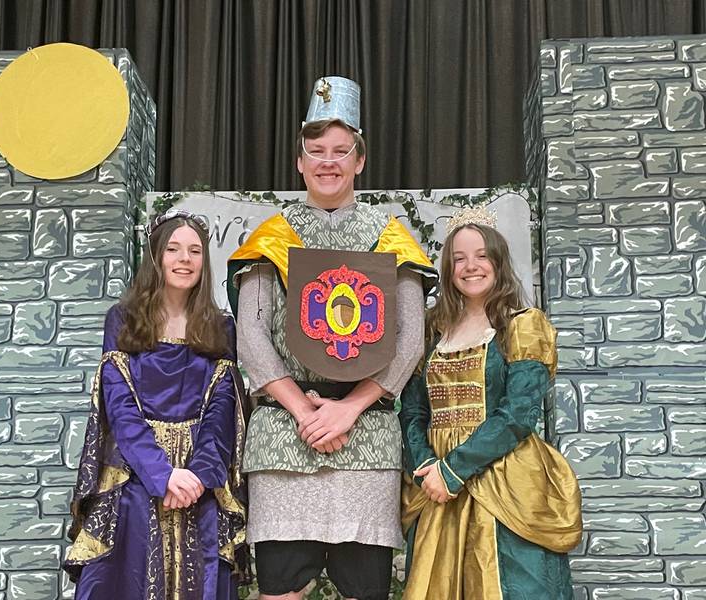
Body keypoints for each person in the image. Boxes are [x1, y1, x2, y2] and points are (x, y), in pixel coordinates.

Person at [227, 76, 437, 600]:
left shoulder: (390, 236)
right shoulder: (271, 236)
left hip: (367, 434)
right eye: (316, 150)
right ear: (300, 161)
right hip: (283, 433)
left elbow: (410, 338)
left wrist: (349, 409)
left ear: (359, 160)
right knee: (279, 588)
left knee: (364, 589)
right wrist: (305, 412)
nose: (328, 161)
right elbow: (251, 335)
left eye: (341, 150)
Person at [64, 209, 249, 600]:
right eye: (174, 249)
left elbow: (221, 411)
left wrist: (197, 475)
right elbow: (120, 407)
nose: (185, 260)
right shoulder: (123, 320)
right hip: (135, 478)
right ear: (155, 257)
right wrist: (162, 475)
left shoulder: (222, 327)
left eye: (195, 251)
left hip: (199, 485)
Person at [399, 205, 582, 599]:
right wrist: (427, 464)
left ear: (498, 261)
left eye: (482, 255)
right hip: (438, 489)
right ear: (448, 269)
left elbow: (519, 414)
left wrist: (454, 469)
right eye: (459, 258)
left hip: (504, 479)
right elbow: (413, 410)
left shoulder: (522, 323)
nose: (471, 266)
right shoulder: (432, 330)